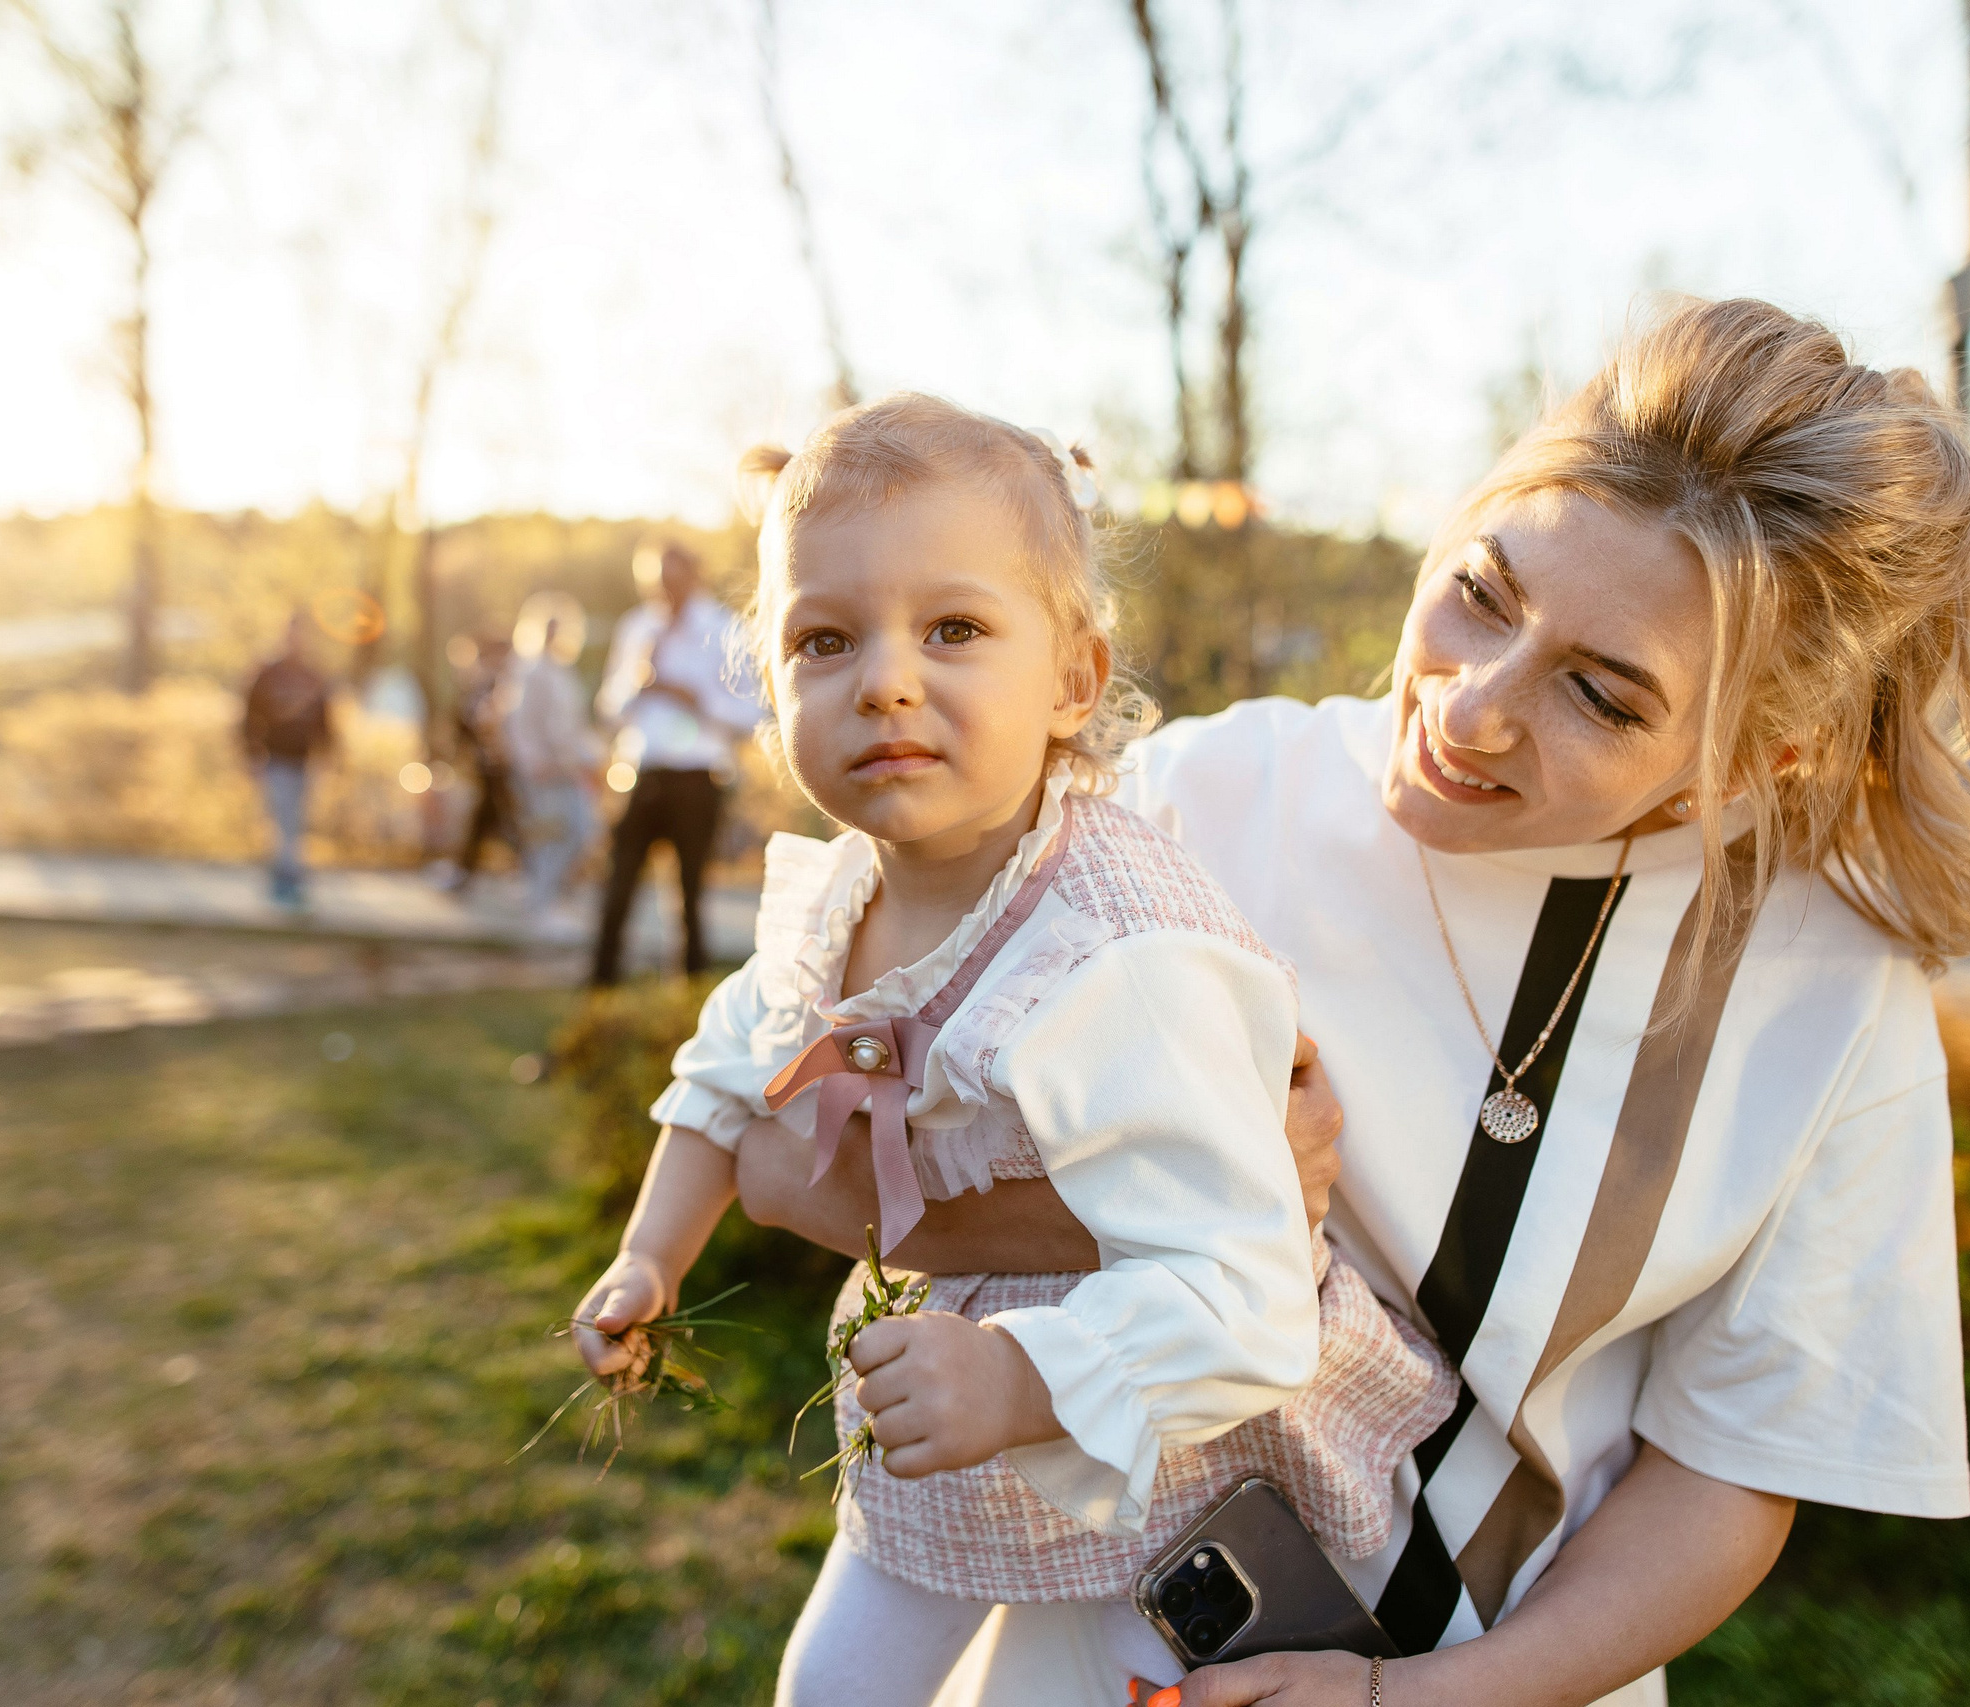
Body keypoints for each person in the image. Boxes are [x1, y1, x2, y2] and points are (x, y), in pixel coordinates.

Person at [736, 299, 1970, 1706]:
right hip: (1075, 1634)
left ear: (1753, 755)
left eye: (1600, 692)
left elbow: (1728, 1476)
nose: (1470, 707)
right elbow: (804, 1171)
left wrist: (1407, 1701)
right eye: (1482, 591)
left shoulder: (1834, 1000)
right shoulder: (1185, 805)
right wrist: (1188, 1217)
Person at [567, 396, 1454, 1707]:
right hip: (944, 1383)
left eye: (955, 627)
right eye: (825, 637)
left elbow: (1248, 1276)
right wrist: (652, 1250)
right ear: (772, 690)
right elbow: (728, 1063)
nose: (886, 677)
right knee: (830, 1686)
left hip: (1168, 1418)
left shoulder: (1116, 951)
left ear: (1074, 679)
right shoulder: (842, 893)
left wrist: (1021, 1372)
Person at [588, 537, 764, 983]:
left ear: (694, 573)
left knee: (690, 892)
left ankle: (689, 987)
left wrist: (696, 699)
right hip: (640, 773)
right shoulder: (636, 628)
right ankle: (600, 985)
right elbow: (608, 709)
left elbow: (753, 713)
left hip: (698, 779)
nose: (664, 589)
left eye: (672, 577)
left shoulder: (723, 629)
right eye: (655, 581)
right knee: (618, 886)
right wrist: (636, 683)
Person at [504, 590, 603, 905]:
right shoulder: (531, 671)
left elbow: (572, 726)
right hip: (544, 771)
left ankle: (550, 898)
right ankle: (540, 905)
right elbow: (520, 723)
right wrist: (532, 762)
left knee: (581, 830)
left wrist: (593, 755)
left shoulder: (563, 671)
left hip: (568, 768)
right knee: (550, 837)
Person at [243, 612, 337, 908]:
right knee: (283, 820)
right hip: (276, 759)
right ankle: (286, 879)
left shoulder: (313, 674)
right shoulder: (268, 673)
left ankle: (290, 876)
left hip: (304, 760)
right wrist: (251, 754)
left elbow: (325, 719)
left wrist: (329, 754)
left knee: (297, 822)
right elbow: (249, 716)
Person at [448, 633, 521, 893]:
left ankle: (465, 873)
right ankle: (465, 873)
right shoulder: (481, 686)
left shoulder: (508, 686)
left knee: (504, 821)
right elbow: (465, 725)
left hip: (503, 766)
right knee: (496, 821)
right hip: (489, 767)